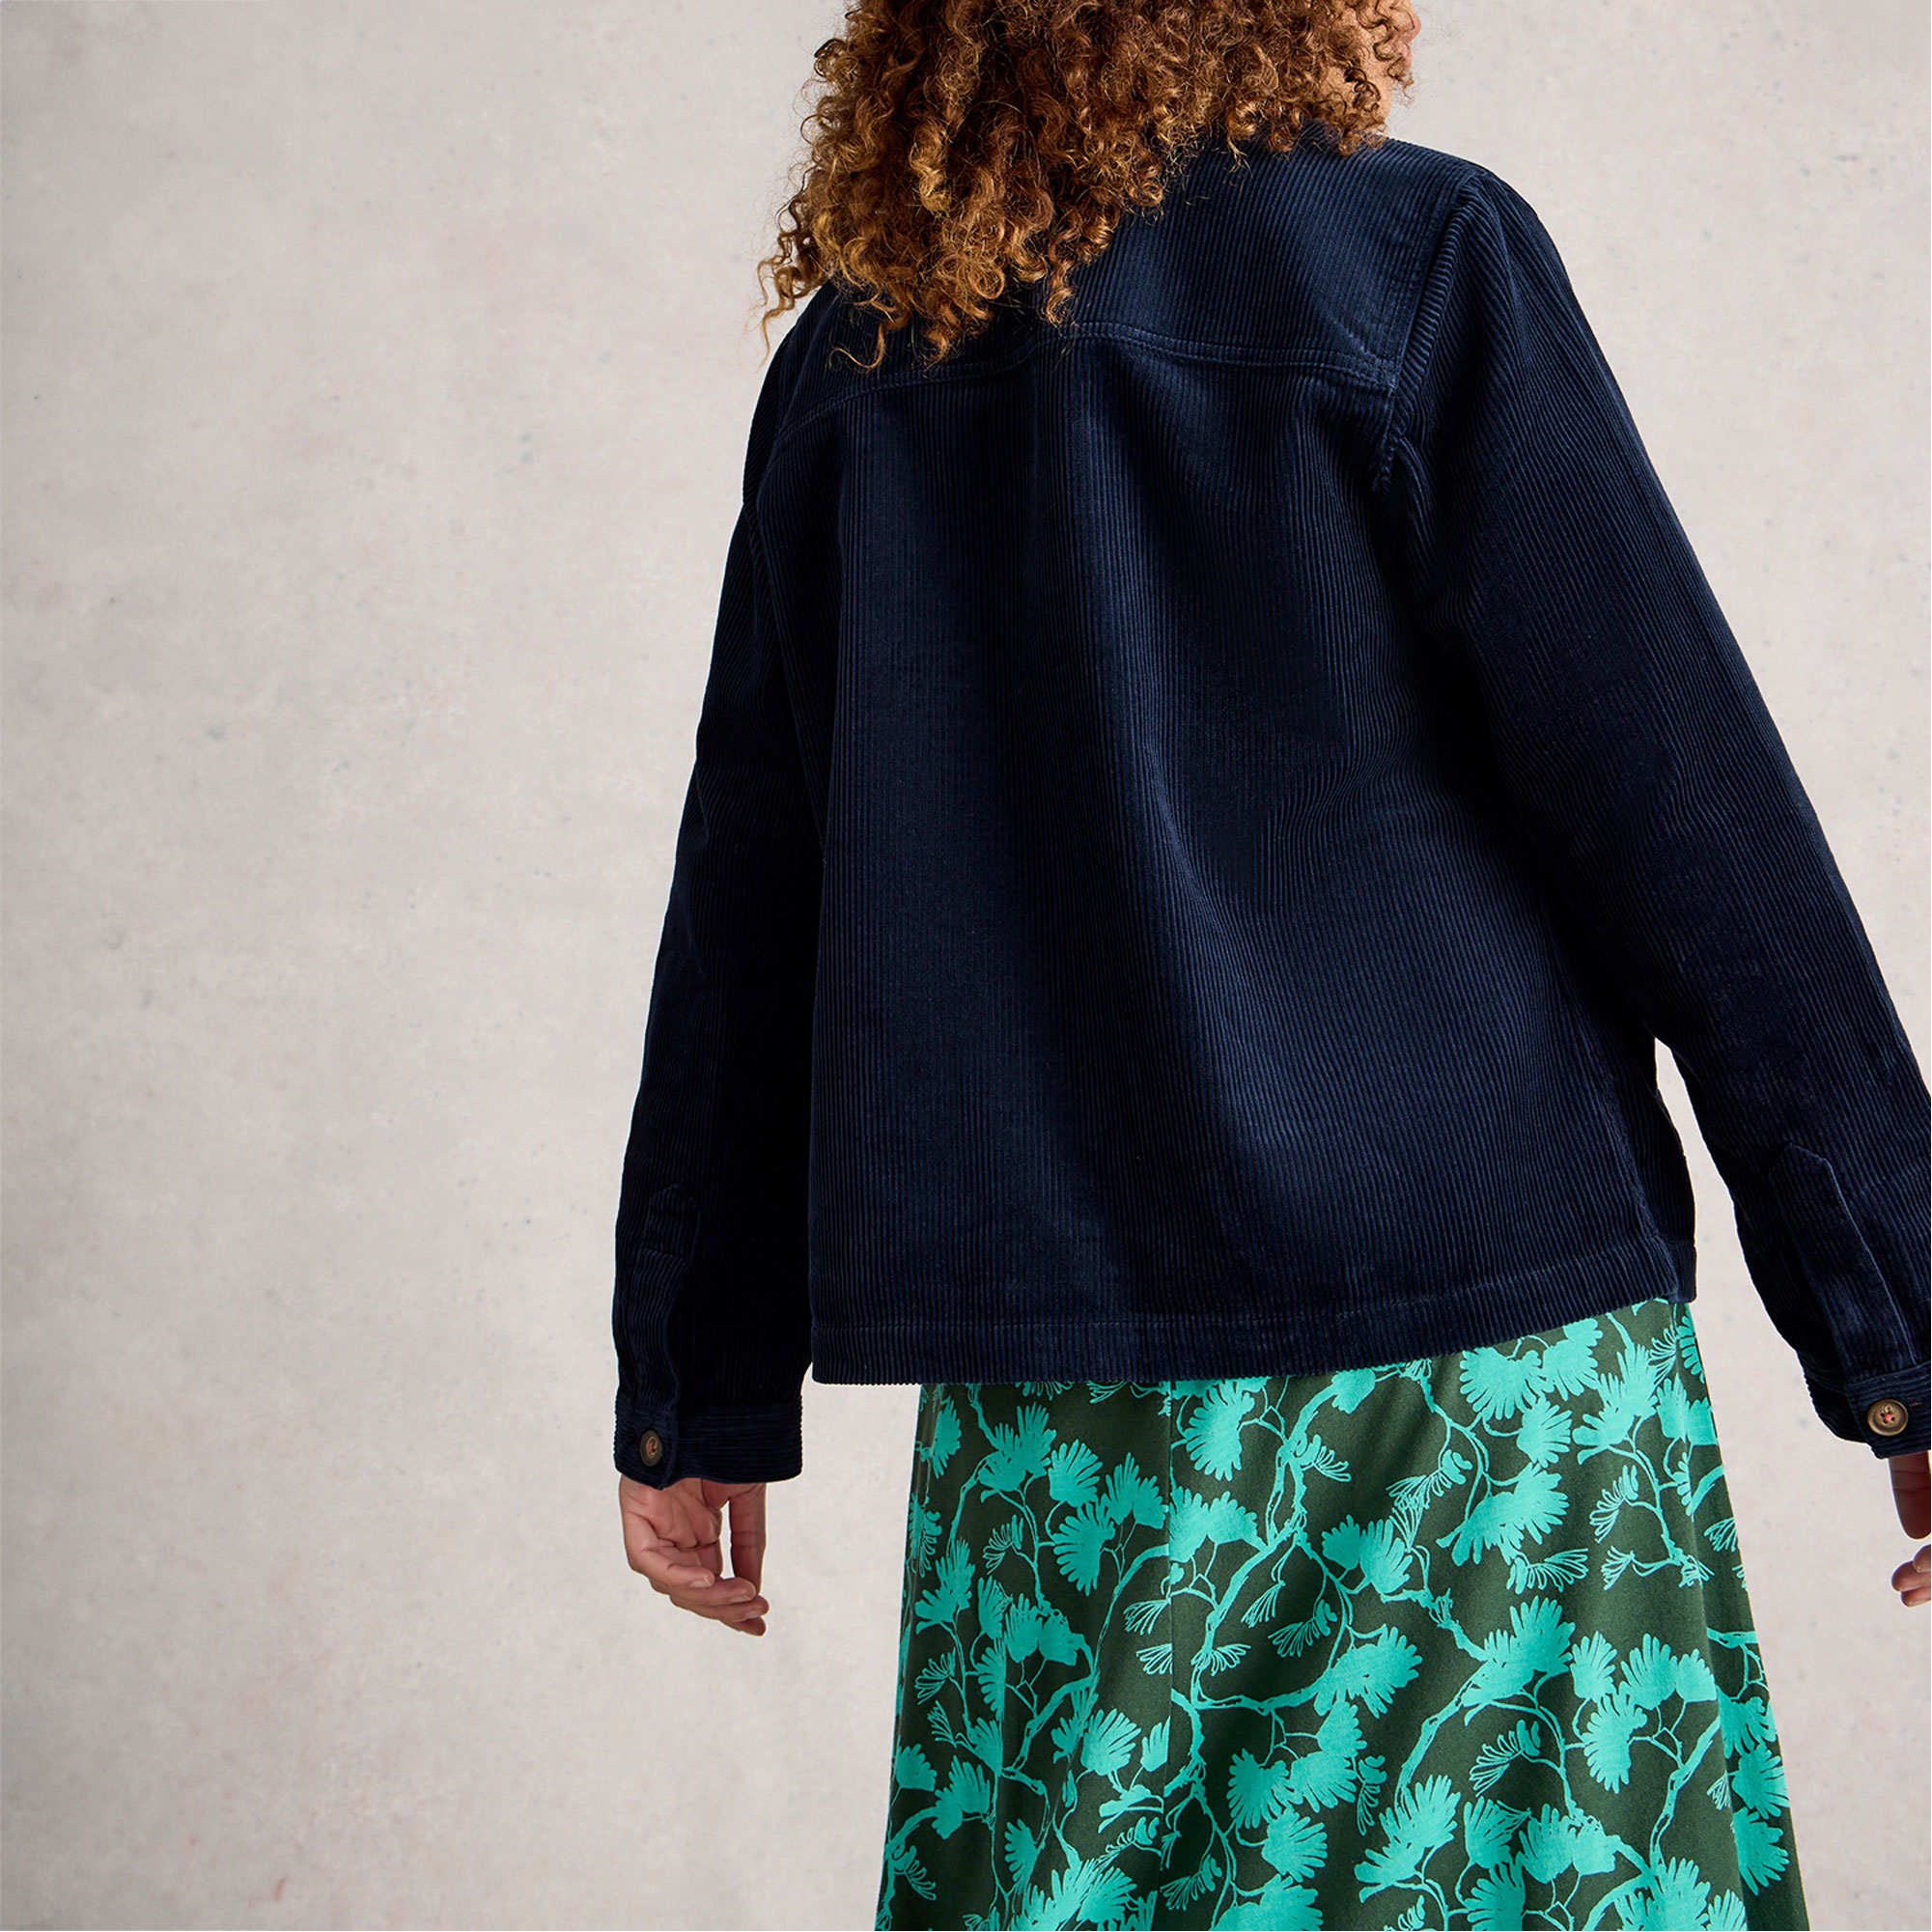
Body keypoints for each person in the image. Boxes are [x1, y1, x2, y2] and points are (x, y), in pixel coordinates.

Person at [611, 2, 1930, 1924]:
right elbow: (1685, 820)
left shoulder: (858, 358)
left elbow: (751, 892)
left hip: (1061, 1417)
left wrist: (692, 1382)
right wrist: (1903, 1330)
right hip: (1474, 1376)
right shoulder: (1413, 260)